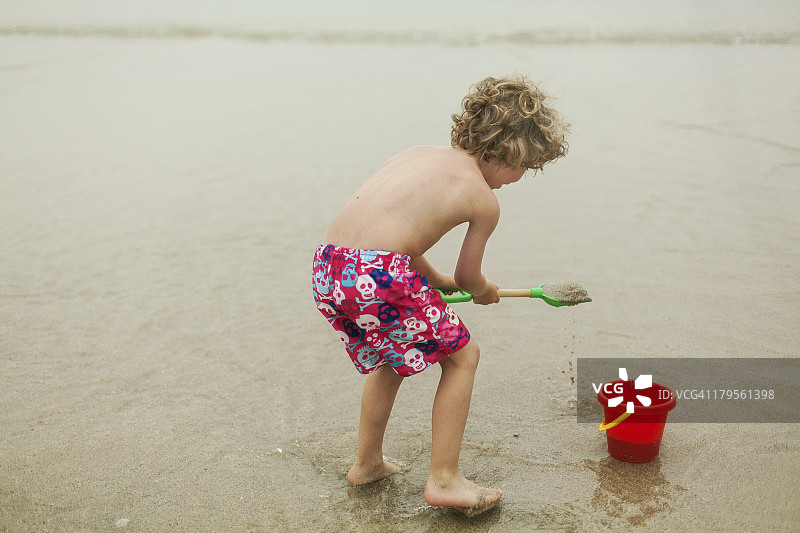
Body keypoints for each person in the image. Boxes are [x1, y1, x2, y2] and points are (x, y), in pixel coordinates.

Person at [311, 75, 569, 517]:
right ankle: (445, 479)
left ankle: (366, 463)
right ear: (511, 153)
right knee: (463, 357)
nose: (521, 178)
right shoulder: (483, 199)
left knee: (393, 359)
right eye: (527, 166)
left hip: (331, 266)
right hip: (381, 273)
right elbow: (471, 277)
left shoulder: (414, 155)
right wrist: (482, 291)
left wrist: (432, 278)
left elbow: (396, 234)